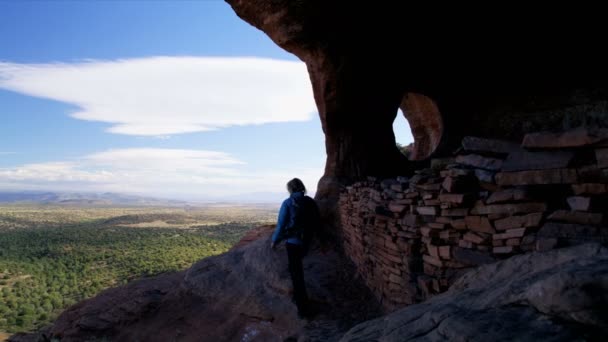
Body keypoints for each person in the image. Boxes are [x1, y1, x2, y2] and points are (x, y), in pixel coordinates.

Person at [271, 178, 320, 319]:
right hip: (307, 241)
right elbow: (317, 221)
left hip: (293, 242)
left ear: (290, 189)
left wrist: (274, 240)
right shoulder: (310, 201)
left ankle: (303, 309)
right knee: (299, 272)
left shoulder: (288, 203)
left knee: (296, 275)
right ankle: (303, 302)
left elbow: (281, 224)